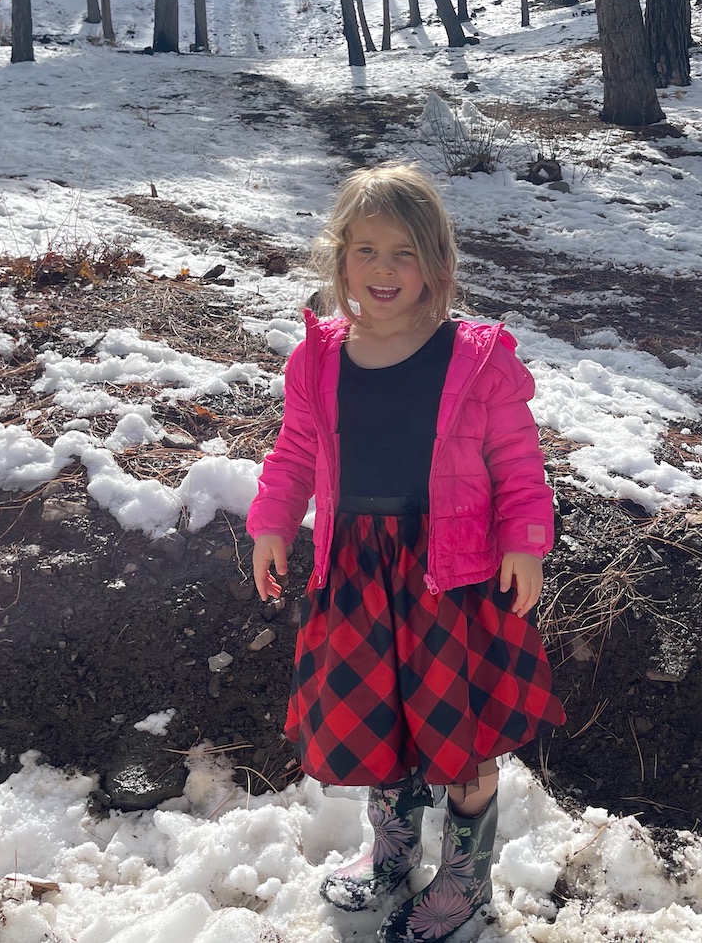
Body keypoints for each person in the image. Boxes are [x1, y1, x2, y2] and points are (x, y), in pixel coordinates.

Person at [248, 162, 563, 943]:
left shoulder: (476, 359)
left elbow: (518, 465)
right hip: (357, 573)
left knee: (461, 738)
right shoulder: (317, 358)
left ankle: (465, 879)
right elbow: (293, 452)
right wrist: (271, 523)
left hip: (452, 576)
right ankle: (391, 851)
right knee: (379, 721)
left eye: (403, 253)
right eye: (365, 250)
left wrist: (526, 542)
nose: (382, 270)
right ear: (339, 258)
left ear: (437, 264)